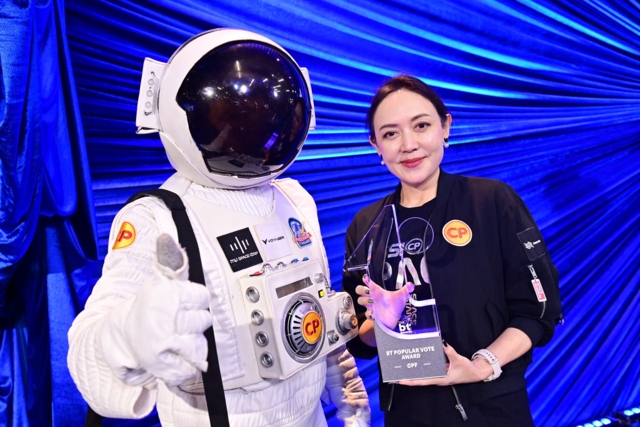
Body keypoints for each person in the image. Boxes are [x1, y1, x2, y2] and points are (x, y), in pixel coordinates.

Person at [67, 29, 369, 427]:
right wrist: (130, 334)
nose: (250, 128)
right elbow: (89, 360)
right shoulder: (159, 217)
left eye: (262, 113)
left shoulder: (294, 200)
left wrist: (351, 400)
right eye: (233, 115)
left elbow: (318, 317)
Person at [342, 75, 562, 426]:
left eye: (421, 125)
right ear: (376, 146)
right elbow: (359, 341)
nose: (408, 144)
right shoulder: (366, 225)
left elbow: (537, 312)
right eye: (391, 133)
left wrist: (481, 366)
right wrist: (381, 322)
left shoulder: (491, 201)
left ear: (445, 126)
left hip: (492, 410)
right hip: (407, 414)